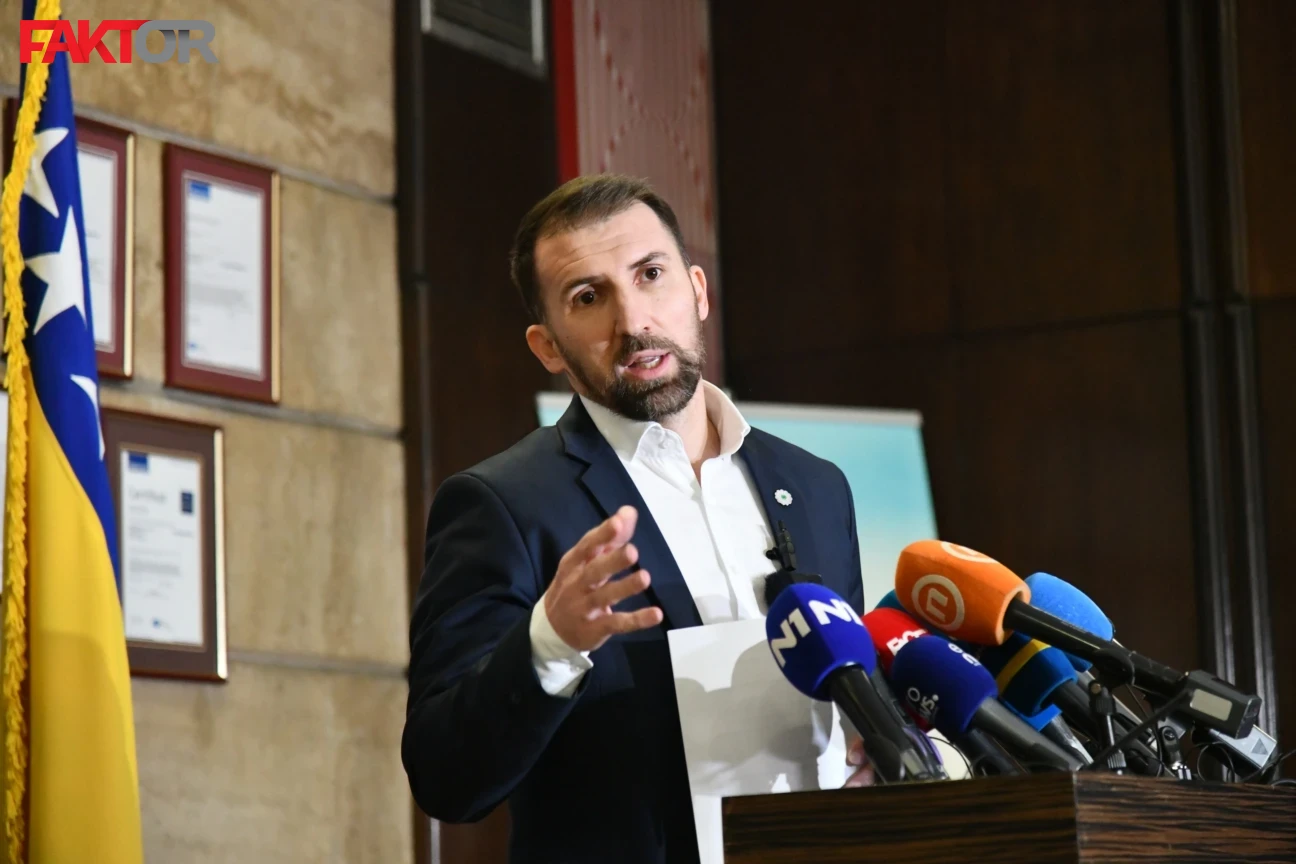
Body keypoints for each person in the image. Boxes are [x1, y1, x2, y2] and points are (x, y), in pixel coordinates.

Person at [402, 174, 871, 864]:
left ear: (698, 291)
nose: (633, 320)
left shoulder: (815, 486)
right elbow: (444, 775)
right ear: (548, 347)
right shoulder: (504, 503)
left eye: (650, 275)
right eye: (588, 297)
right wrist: (550, 642)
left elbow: (847, 686)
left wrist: (873, 742)